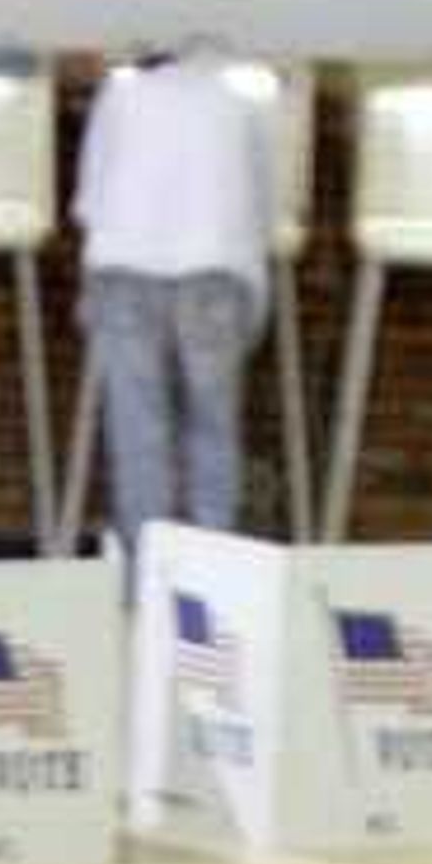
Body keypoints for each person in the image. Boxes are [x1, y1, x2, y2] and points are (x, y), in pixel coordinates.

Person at [73, 36, 274, 550]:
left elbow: (90, 203)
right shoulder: (243, 104)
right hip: (215, 271)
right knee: (213, 428)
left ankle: (148, 574)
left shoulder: (119, 97)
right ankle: (214, 571)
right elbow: (263, 210)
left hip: (126, 268)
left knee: (138, 431)